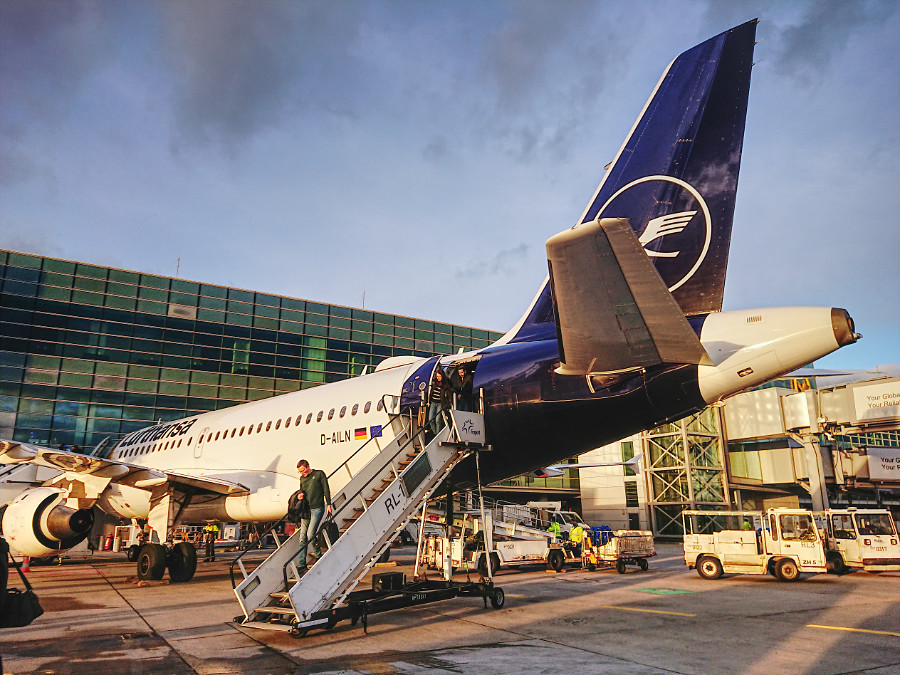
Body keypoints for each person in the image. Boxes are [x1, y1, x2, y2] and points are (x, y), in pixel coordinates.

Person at [296, 459, 332, 570]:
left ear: (308, 466)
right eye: (300, 471)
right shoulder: (302, 478)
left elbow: (326, 489)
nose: (302, 473)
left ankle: (318, 554)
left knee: (310, 534)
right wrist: (300, 494)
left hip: (317, 508)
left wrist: (329, 504)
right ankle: (302, 564)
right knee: (302, 537)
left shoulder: (319, 474)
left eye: (303, 470)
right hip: (306, 509)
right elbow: (301, 490)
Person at [427, 369, 452, 435]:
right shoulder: (434, 383)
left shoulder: (445, 384)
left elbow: (449, 392)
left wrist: (449, 404)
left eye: (439, 376)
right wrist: (428, 401)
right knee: (431, 419)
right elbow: (431, 393)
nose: (438, 378)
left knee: (438, 419)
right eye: (437, 376)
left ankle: (438, 434)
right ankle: (435, 433)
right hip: (433, 402)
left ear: (442, 376)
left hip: (440, 403)